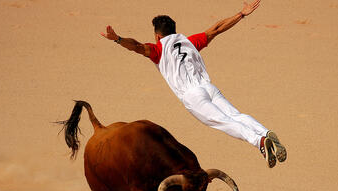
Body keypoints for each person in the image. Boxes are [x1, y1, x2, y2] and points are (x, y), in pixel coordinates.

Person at [101, 0, 286, 168]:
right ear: (173, 30)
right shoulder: (189, 41)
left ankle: (259, 141)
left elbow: (137, 46)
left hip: (193, 96)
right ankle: (265, 132)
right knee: (236, 115)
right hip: (210, 88)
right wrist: (241, 14)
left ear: (158, 36)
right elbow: (217, 29)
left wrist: (117, 39)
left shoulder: (158, 49)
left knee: (224, 121)